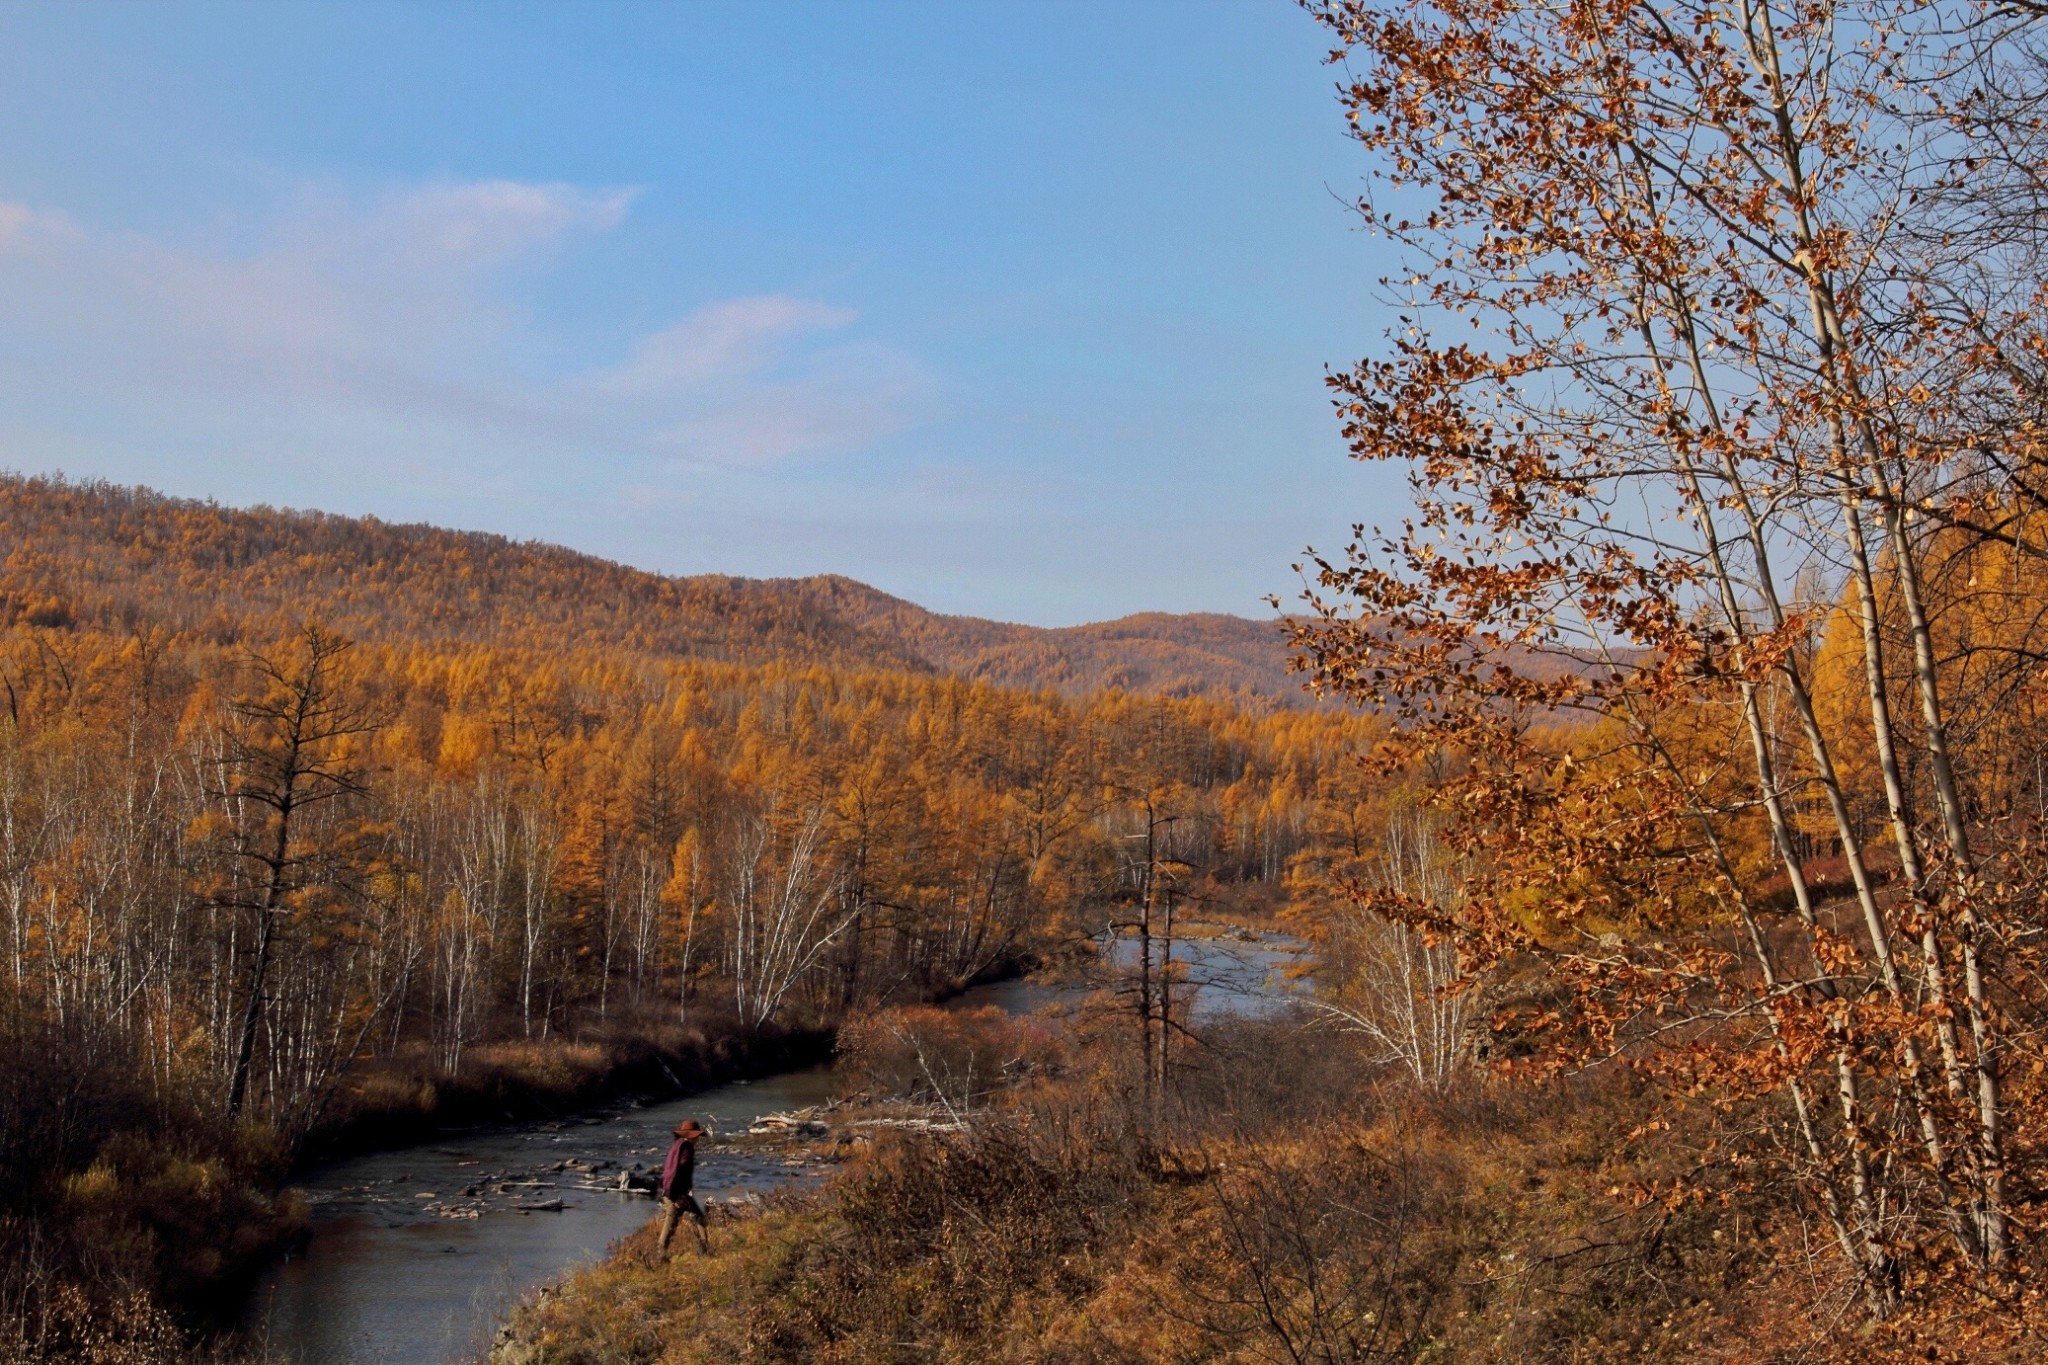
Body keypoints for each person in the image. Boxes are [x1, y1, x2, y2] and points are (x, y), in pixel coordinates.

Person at [656, 1119, 709, 1254]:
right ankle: (660, 1255)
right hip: (676, 1193)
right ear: (691, 1135)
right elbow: (677, 1171)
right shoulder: (686, 1149)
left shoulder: (676, 1145)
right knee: (672, 1222)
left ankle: (704, 1250)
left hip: (672, 1190)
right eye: (696, 1135)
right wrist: (676, 1197)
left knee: (696, 1218)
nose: (698, 1138)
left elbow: (669, 1170)